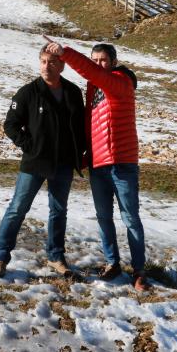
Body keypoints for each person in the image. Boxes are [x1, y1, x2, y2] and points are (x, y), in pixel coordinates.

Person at [43, 37, 150, 291]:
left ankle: (139, 271)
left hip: (122, 163)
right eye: (95, 60)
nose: (98, 64)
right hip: (98, 164)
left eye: (103, 60)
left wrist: (66, 52)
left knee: (130, 218)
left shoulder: (120, 81)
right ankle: (113, 263)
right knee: (104, 217)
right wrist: (84, 155)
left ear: (113, 62)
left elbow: (94, 73)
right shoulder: (93, 88)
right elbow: (91, 124)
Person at [0, 44, 86, 278]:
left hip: (63, 163)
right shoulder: (28, 92)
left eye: (52, 62)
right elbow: (10, 124)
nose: (46, 66)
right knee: (17, 208)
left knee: (58, 211)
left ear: (61, 65)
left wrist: (81, 152)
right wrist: (30, 146)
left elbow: (80, 127)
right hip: (34, 162)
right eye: (43, 61)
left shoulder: (73, 92)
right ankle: (0, 257)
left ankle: (56, 257)